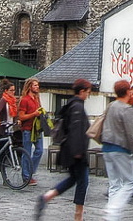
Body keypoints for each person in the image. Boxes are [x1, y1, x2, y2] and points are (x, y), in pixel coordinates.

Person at [35, 79, 92, 221]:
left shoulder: (71, 104)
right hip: (76, 151)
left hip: (70, 150)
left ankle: (46, 197)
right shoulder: (77, 107)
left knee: (73, 179)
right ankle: (78, 216)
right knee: (83, 182)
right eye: (88, 92)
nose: (88, 95)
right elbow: (76, 131)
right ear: (82, 91)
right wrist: (78, 152)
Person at [100, 80, 133, 221]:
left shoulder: (110, 106)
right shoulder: (126, 109)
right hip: (120, 149)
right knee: (130, 183)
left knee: (114, 183)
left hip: (106, 147)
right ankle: (112, 210)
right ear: (127, 91)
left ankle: (112, 214)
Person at [18, 77, 45, 185]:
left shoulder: (37, 99)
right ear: (29, 87)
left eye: (38, 85)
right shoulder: (24, 100)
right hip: (28, 129)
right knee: (27, 152)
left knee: (40, 150)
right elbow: (21, 116)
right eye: (35, 85)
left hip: (37, 129)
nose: (37, 87)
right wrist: (34, 114)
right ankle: (26, 176)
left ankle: (29, 172)